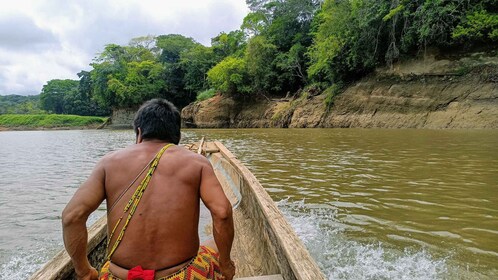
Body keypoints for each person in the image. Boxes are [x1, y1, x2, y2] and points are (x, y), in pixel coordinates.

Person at [62, 98, 235, 280]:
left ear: (139, 132)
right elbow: (222, 213)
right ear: (177, 135)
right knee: (212, 245)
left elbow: (71, 217)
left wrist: (84, 271)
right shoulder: (196, 162)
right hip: (181, 275)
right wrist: (226, 264)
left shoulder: (107, 163)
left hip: (118, 276)